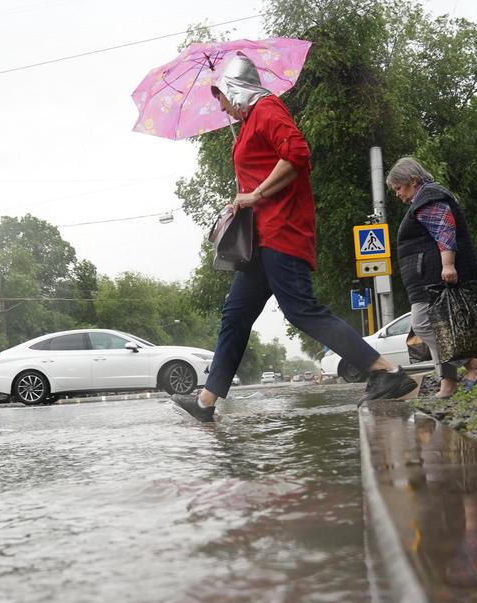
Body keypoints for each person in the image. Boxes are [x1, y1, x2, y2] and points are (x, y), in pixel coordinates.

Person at [171, 54, 416, 423]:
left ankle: (386, 371)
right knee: (235, 315)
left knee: (301, 309)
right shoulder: (251, 121)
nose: (220, 108)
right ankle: (206, 401)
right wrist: (246, 196)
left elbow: (298, 153)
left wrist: (256, 195)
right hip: (259, 240)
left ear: (234, 88)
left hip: (282, 232)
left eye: (220, 98)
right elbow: (266, 167)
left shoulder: (268, 108)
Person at [385, 157, 477, 399]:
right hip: (428, 274)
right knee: (438, 326)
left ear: (412, 181)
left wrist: (448, 265)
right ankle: (448, 383)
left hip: (431, 275)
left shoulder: (428, 198)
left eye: (398, 188)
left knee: (423, 324)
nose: (398, 194)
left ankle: (473, 364)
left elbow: (445, 230)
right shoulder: (425, 198)